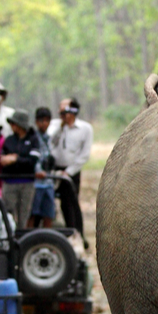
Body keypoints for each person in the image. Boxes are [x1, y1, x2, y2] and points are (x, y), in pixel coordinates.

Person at [47, 98, 94, 237]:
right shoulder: (55, 125)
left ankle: (77, 234)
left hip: (71, 171)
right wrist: (61, 126)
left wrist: (68, 172)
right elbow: (49, 142)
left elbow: (84, 154)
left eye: (65, 111)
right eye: (60, 111)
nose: (62, 114)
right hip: (54, 169)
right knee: (51, 203)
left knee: (70, 204)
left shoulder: (84, 128)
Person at [0, 113, 44, 230]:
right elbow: (3, 159)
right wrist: (12, 159)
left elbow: (32, 160)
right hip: (10, 182)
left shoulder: (33, 140)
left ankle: (22, 237)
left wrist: (16, 159)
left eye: (14, 123)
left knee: (24, 213)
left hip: (26, 182)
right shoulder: (9, 140)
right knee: (8, 213)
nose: (12, 126)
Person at [28, 107, 61, 228]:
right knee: (32, 214)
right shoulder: (33, 137)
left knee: (49, 214)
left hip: (48, 181)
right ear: (37, 121)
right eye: (42, 120)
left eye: (47, 120)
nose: (45, 123)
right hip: (36, 183)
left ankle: (47, 242)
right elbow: (34, 157)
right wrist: (37, 170)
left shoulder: (49, 138)